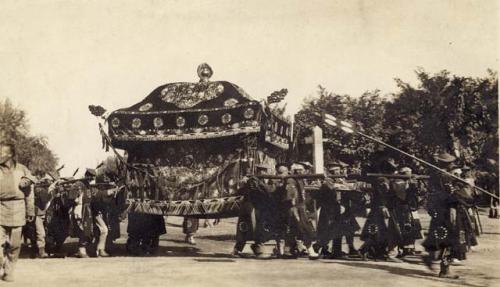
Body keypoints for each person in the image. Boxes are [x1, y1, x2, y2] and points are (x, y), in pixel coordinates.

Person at [422, 152, 473, 278]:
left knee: (439, 237)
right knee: (451, 239)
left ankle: (430, 258)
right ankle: (444, 269)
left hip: (440, 211)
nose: (452, 164)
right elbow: (451, 194)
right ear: (446, 163)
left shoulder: (438, 175)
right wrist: (463, 186)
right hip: (448, 210)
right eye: (450, 163)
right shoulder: (445, 177)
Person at [0, 142, 36, 282]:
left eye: (1, 152)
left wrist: (30, 210)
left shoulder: (22, 170)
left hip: (18, 208)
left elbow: (29, 192)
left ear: (10, 155)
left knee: (15, 244)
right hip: (0, 207)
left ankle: (9, 271)